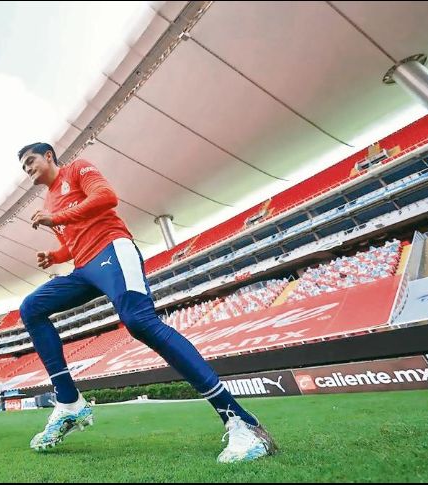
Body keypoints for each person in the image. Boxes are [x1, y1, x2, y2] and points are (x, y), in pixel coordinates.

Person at [16, 143, 277, 462]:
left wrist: (56, 217)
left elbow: (106, 197)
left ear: (49, 156)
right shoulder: (48, 201)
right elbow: (74, 240)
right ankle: (69, 401)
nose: (27, 169)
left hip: (112, 250)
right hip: (84, 269)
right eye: (23, 166)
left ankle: (242, 421)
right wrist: (55, 256)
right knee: (31, 308)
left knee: (139, 322)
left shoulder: (77, 169)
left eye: (30, 161)